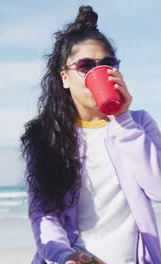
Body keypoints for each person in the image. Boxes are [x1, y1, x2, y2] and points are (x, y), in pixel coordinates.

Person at [21, 5, 161, 264]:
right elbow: (43, 214)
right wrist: (64, 256)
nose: (98, 72)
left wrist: (122, 119)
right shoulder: (45, 136)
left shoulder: (138, 123)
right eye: (85, 66)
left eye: (107, 64)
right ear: (65, 77)